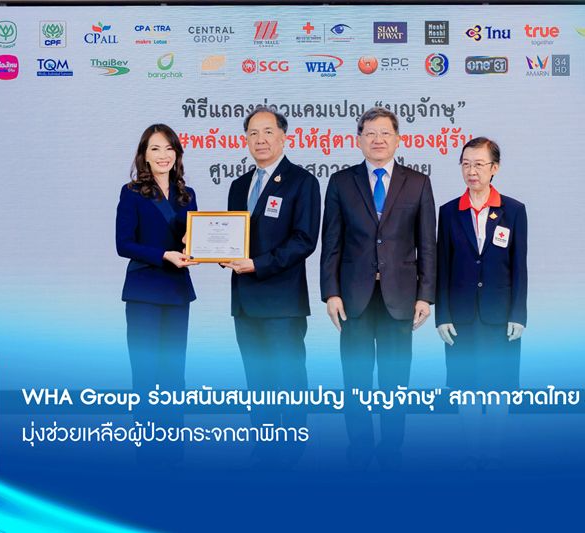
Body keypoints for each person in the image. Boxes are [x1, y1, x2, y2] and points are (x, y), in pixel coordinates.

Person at [320, 107, 436, 472]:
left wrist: (426, 294)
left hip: (400, 299)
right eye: (370, 133)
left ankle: (390, 452)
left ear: (398, 139)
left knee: (395, 381)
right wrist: (331, 293)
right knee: (355, 380)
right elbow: (331, 244)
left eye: (385, 133)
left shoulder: (418, 182)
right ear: (359, 140)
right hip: (353, 299)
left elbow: (427, 245)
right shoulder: (341, 182)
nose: (377, 139)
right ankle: (359, 448)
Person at [221, 107, 321, 469]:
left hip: (282, 303)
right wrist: (219, 253)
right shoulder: (238, 186)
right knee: (257, 381)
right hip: (245, 302)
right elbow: (232, 237)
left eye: (267, 132)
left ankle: (292, 451)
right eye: (252, 133)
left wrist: (257, 264)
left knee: (289, 379)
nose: (259, 140)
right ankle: (264, 448)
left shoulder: (302, 182)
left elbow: (304, 240)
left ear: (283, 137)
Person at [435, 137, 528, 472]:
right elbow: (442, 266)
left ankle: (493, 455)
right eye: (465, 164)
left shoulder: (513, 210)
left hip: (500, 316)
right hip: (461, 317)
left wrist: (519, 314)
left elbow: (519, 266)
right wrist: (442, 315)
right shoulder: (449, 212)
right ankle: (473, 455)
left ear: (494, 168)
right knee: (466, 388)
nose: (471, 171)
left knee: (499, 388)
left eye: (478, 164)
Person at [115, 123, 198, 467]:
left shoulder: (187, 194)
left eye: (169, 148)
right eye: (155, 149)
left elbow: (195, 237)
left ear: (177, 153)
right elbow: (124, 244)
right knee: (146, 378)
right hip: (144, 295)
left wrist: (198, 249)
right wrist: (164, 255)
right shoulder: (132, 192)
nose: (163, 155)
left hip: (177, 293)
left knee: (175, 377)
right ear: (144, 156)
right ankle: (147, 459)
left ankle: (174, 457)